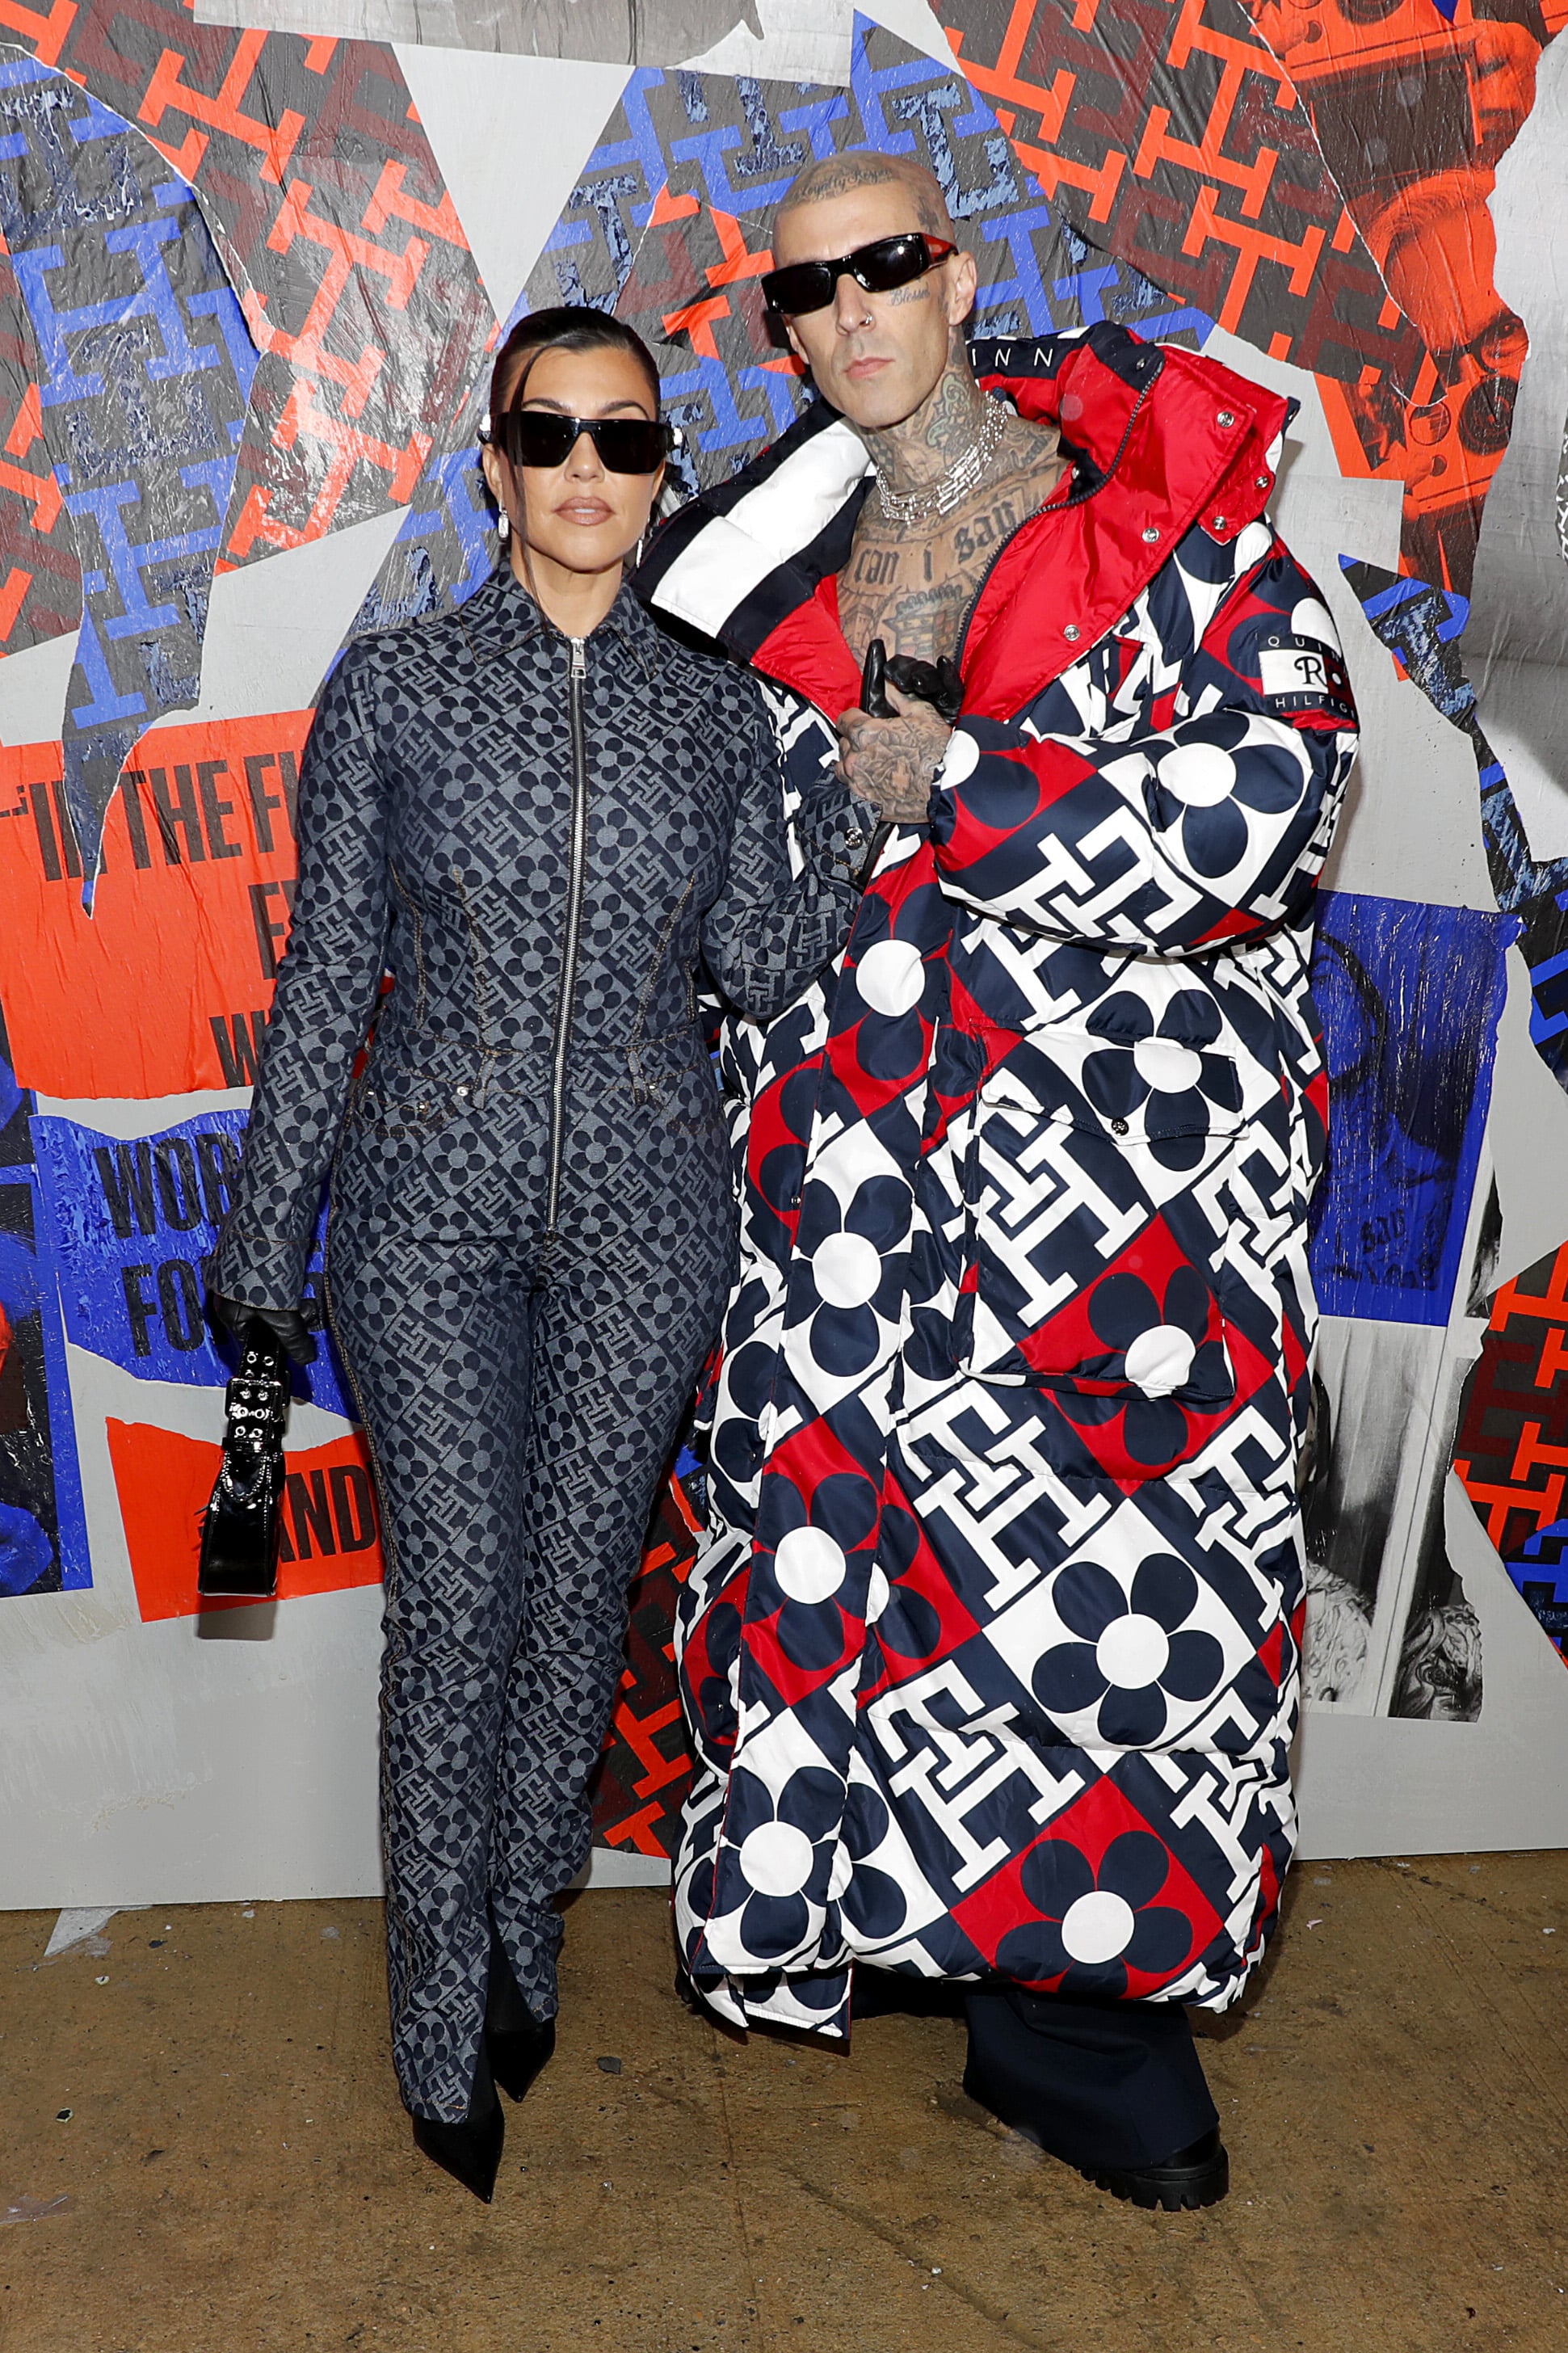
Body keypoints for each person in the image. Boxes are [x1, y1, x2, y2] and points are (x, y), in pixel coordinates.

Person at [637, 152, 1360, 2211]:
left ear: (953, 273)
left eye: (883, 267)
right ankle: (929, 1971)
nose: (848, 312)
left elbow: (1260, 807)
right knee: (858, 1590)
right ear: (780, 331)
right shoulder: (759, 569)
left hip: (1114, 1194)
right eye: (804, 294)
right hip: (844, 1183)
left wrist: (958, 785)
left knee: (1112, 1605)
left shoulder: (1157, 521)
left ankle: (1082, 2030)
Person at [208, 307, 864, 2203]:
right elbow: (326, 974)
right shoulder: (400, 690)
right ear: (489, 463)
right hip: (422, 1211)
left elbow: (758, 962)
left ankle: (515, 1933)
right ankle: (438, 2035)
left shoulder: (712, 707)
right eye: (549, 436)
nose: (587, 473)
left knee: (579, 1605)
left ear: (661, 473)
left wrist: (854, 811)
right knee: (460, 1607)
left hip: (651, 1216)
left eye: (626, 442)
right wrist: (265, 1244)